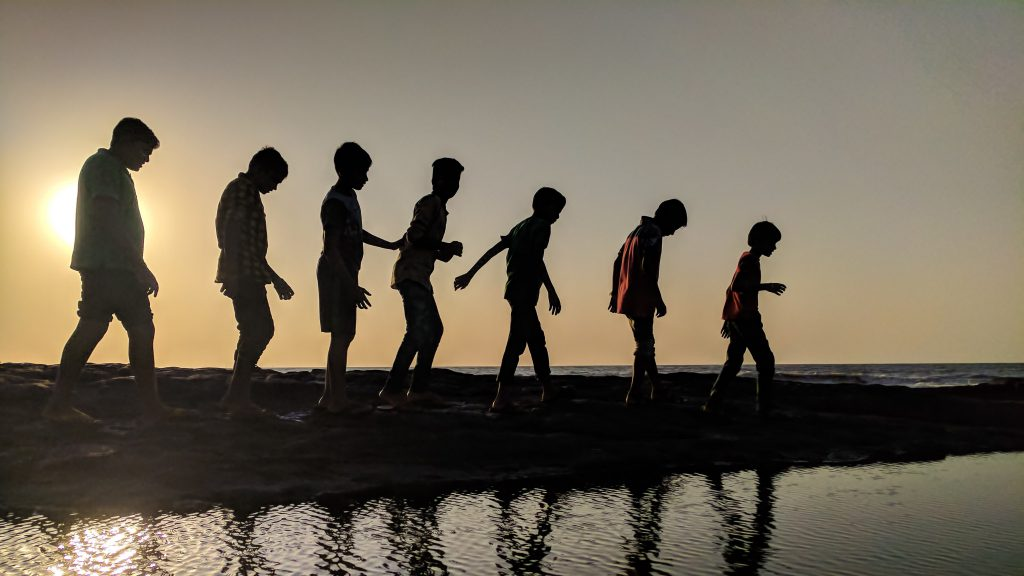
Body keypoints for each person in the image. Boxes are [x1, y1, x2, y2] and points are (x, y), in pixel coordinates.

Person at [43, 118, 171, 423]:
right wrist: (140, 266)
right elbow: (105, 215)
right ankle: (60, 406)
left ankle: (62, 405)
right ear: (125, 142)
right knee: (112, 328)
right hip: (109, 267)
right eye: (143, 150)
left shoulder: (116, 172)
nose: (146, 158)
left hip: (114, 267)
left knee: (111, 328)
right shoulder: (104, 167)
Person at [454, 187, 566, 412]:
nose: (558, 215)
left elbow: (494, 249)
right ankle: (501, 397)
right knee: (517, 342)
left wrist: (470, 273)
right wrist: (551, 291)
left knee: (535, 340)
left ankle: (547, 388)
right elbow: (537, 260)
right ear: (543, 206)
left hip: (514, 290)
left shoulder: (520, 227)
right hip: (524, 291)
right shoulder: (541, 227)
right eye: (556, 209)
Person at [317, 142, 401, 413]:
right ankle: (337, 400)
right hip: (335, 272)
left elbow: (357, 232)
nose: (366, 177)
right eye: (362, 171)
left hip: (344, 272)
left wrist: (389, 245)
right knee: (342, 335)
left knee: (342, 336)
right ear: (345, 170)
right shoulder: (335, 203)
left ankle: (329, 397)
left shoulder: (349, 199)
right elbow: (331, 248)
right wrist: (350, 285)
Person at [378, 158, 465, 409]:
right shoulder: (430, 203)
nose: (454, 185)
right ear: (436, 180)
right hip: (411, 275)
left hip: (419, 276)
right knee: (417, 331)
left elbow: (424, 244)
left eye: (457, 181)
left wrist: (444, 252)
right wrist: (442, 246)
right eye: (450, 179)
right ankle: (393, 389)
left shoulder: (440, 208)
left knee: (433, 330)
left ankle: (417, 389)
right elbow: (415, 236)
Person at [215, 147, 294, 414]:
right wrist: (234, 273)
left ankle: (238, 391)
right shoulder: (243, 190)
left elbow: (252, 247)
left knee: (251, 330)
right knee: (260, 330)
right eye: (273, 181)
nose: (274, 188)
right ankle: (236, 395)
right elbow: (232, 232)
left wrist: (275, 278)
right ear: (260, 170)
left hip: (250, 270)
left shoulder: (246, 191)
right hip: (243, 272)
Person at [702, 221, 786, 417]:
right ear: (760, 241)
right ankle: (763, 408)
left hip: (738, 318)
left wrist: (728, 318)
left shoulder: (747, 259)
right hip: (747, 319)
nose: (774, 247)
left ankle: (713, 402)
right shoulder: (749, 260)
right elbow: (737, 286)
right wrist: (766, 286)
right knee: (765, 362)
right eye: (771, 243)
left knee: (733, 362)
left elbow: (730, 288)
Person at [609, 199, 687, 407]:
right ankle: (634, 393)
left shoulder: (635, 232)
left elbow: (617, 262)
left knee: (646, 344)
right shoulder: (653, 233)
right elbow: (648, 269)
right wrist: (658, 298)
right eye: (675, 226)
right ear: (668, 218)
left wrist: (615, 293)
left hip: (627, 295)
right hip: (641, 296)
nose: (673, 232)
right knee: (644, 346)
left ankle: (657, 389)